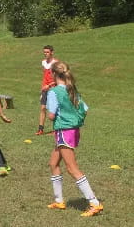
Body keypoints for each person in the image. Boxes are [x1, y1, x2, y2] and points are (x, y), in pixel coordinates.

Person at [46, 61, 103, 217]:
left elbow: (51, 115)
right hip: (71, 131)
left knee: (72, 168)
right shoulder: (72, 90)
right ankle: (59, 201)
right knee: (53, 163)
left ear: (53, 74)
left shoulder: (54, 92)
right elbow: (85, 109)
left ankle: (94, 203)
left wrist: (58, 116)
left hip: (64, 131)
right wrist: (73, 120)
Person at [36, 45, 58, 135]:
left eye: (47, 52)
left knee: (53, 109)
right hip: (45, 88)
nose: (45, 54)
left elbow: (57, 79)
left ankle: (55, 130)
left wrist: (49, 85)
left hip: (53, 88)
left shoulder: (56, 63)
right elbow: (44, 77)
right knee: (43, 108)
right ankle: (40, 129)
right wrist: (43, 89)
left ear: (52, 52)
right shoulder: (43, 62)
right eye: (44, 52)